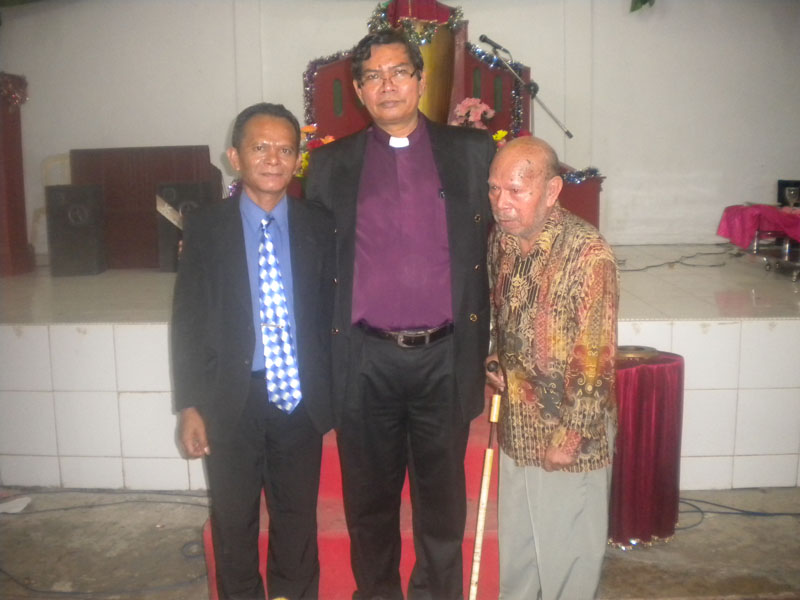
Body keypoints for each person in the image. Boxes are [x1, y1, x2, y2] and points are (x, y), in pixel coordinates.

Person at [304, 29, 496, 600]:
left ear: (420, 79)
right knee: (369, 505)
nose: (387, 85)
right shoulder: (330, 165)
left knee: (442, 503)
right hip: (365, 359)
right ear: (359, 91)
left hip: (445, 356)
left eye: (398, 72)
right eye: (373, 76)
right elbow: (313, 259)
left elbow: (505, 243)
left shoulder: (472, 153)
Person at [171, 102, 335, 600]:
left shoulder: (320, 225)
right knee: (233, 518)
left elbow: (332, 313)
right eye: (260, 147)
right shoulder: (205, 228)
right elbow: (188, 320)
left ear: (298, 161)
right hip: (230, 398)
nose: (273, 159)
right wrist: (189, 404)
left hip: (298, 398)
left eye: (285, 149)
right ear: (235, 157)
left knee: (296, 518)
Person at [484, 136, 619, 600]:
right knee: (520, 553)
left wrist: (573, 435)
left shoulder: (587, 254)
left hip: (567, 431)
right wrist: (495, 354)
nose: (502, 203)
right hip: (518, 425)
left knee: (568, 558)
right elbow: (501, 313)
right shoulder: (502, 240)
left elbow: (597, 355)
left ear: (552, 190)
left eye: (516, 191)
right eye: (494, 189)